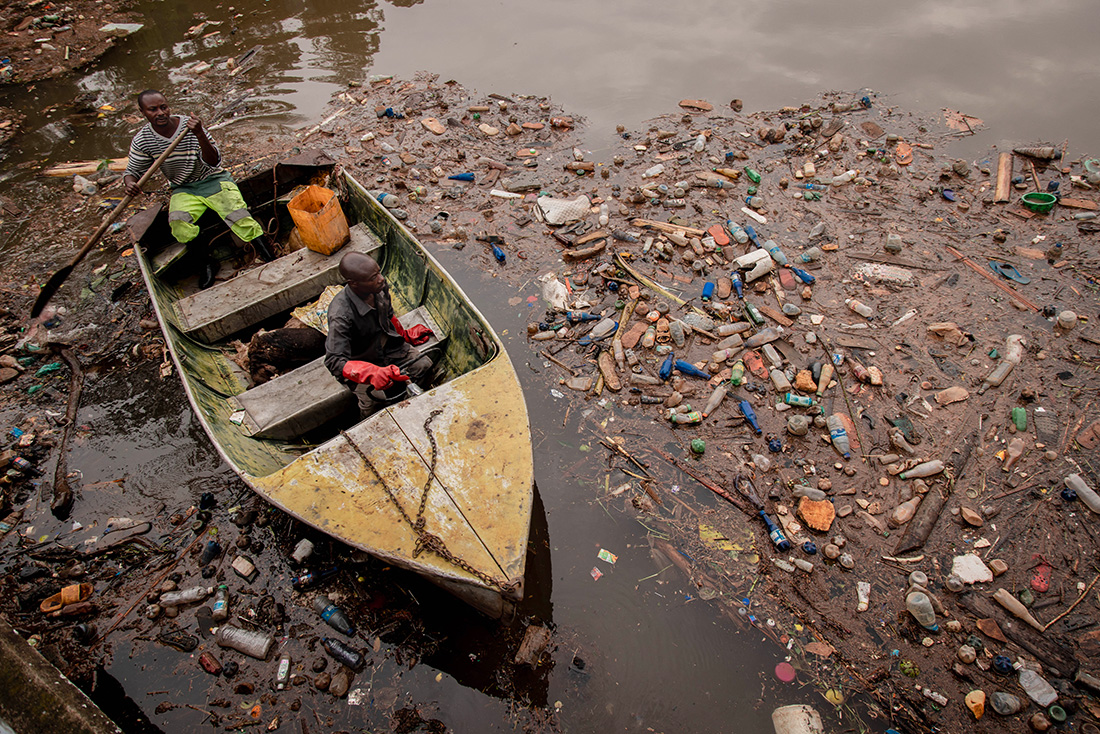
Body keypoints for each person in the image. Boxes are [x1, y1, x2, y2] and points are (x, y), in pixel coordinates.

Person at [122, 89, 274, 289]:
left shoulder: (189, 126)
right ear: (143, 112)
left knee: (237, 214)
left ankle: (267, 253)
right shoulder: (143, 140)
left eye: (163, 107)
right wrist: (130, 183)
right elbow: (133, 171)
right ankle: (207, 264)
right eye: (153, 110)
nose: (160, 113)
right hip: (184, 188)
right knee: (179, 224)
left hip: (212, 179)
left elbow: (213, 161)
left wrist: (200, 134)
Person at [324, 252, 435, 415]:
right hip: (361, 361)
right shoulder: (341, 314)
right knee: (374, 400)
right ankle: (366, 417)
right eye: (373, 278)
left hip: (388, 347)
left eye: (378, 272)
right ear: (353, 283)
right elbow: (334, 361)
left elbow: (389, 316)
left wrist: (403, 335)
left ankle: (408, 402)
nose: (381, 279)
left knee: (423, 365)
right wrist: (370, 372)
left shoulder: (379, 287)